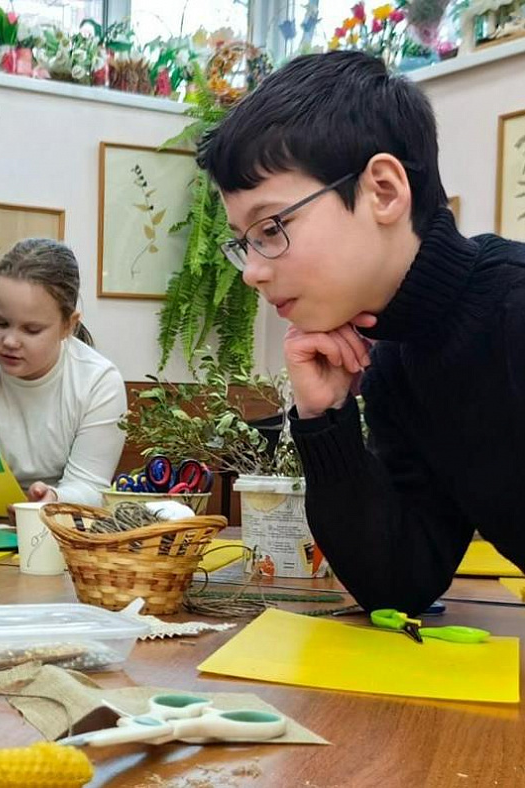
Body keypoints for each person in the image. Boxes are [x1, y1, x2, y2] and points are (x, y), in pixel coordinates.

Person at [198, 50, 525, 614]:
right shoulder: (395, 361)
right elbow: (401, 582)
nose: (252, 270)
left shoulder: (513, 309)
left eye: (272, 228)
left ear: (383, 191)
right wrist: (325, 420)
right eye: (243, 242)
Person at [0, 238, 126, 508]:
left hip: (63, 524)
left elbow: (90, 486)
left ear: (68, 325)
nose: (10, 341)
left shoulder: (99, 382)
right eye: (0, 322)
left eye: (31, 330)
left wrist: (53, 498)